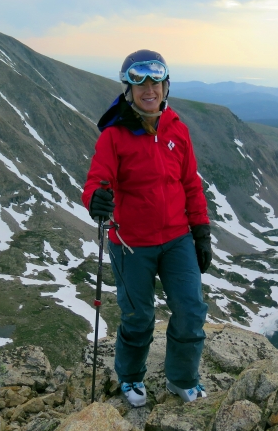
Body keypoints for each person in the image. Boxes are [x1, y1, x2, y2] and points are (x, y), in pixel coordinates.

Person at [81, 49, 212, 407]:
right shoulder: (114, 136)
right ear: (128, 89)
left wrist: (201, 231)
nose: (148, 89)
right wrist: (95, 199)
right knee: (138, 316)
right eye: (139, 82)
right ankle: (131, 378)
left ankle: (182, 379)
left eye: (156, 81)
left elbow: (190, 184)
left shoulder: (177, 130)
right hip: (130, 242)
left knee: (190, 311)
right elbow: (96, 180)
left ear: (166, 87)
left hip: (177, 238)